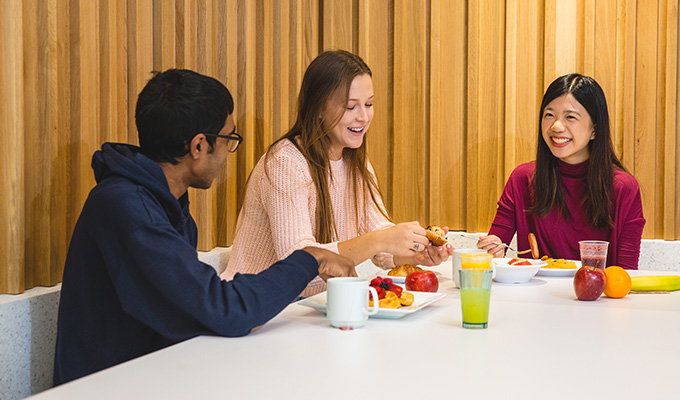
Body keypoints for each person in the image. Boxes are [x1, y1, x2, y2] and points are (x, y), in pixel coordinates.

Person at [53, 69, 356, 386]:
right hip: (105, 388)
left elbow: (197, 310)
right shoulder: (127, 208)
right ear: (198, 146)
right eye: (229, 140)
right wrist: (311, 259)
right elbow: (223, 308)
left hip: (159, 375)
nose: (228, 153)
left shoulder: (164, 202)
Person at [221, 50, 451, 296]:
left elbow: (381, 246)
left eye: (369, 104)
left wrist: (419, 254)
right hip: (255, 306)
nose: (363, 117)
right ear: (318, 108)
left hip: (314, 309)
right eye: (351, 106)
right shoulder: (285, 162)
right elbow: (296, 267)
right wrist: (379, 239)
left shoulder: (356, 164)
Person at [479, 73, 645, 269]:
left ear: (594, 130)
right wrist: (490, 248)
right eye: (549, 115)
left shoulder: (624, 187)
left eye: (570, 117)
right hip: (534, 297)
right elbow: (496, 243)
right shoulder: (523, 178)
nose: (556, 127)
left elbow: (627, 272)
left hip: (598, 298)